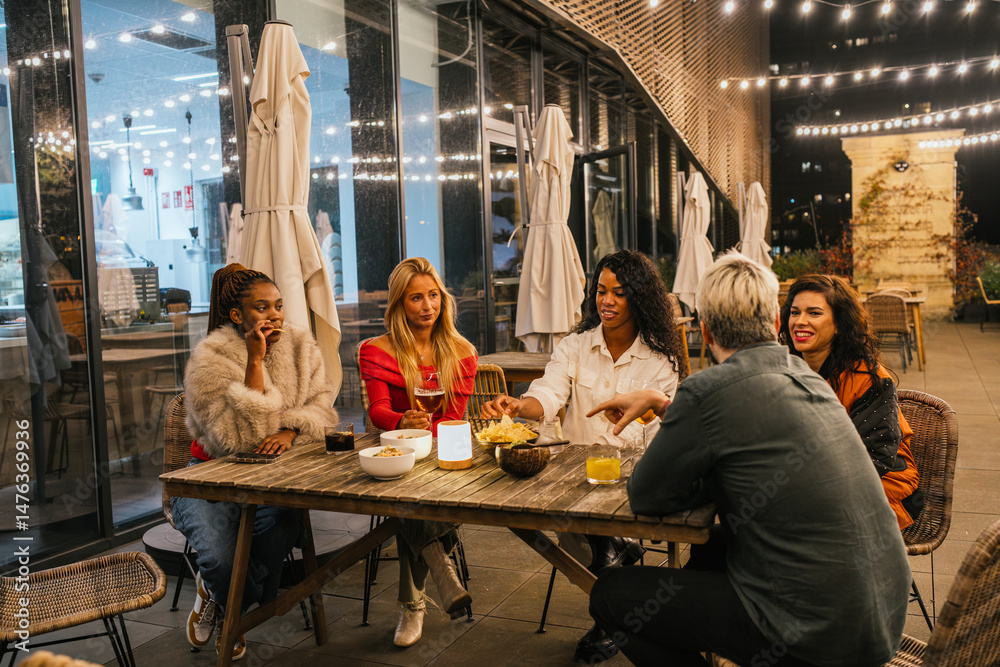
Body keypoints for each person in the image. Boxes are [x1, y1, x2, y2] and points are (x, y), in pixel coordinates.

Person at [587, 252, 911, 667]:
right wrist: (670, 408)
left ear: (704, 331)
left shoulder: (707, 390)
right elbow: (746, 451)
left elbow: (648, 496)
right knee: (711, 546)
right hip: (879, 617)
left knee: (610, 596)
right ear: (776, 324)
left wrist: (682, 427)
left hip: (814, 633)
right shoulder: (809, 381)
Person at [482, 249, 687, 663]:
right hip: (576, 477)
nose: (606, 301)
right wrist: (518, 407)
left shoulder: (661, 359)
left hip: (634, 476)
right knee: (566, 518)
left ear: (641, 298)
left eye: (619, 292)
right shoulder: (574, 347)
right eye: (601, 291)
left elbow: (664, 433)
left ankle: (610, 592)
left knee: (581, 532)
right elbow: (548, 393)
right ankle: (617, 575)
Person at [173, 264, 337, 662]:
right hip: (209, 481)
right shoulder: (208, 360)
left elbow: (321, 406)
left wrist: (291, 431)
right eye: (261, 308)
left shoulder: (300, 345)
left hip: (277, 479)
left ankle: (223, 602)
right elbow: (239, 441)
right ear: (237, 315)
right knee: (220, 559)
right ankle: (230, 604)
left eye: (278, 306)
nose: (275, 315)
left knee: (278, 520)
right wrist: (255, 363)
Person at [358, 257, 477, 648]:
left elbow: (453, 418)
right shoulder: (376, 351)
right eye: (415, 298)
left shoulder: (461, 352)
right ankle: (437, 572)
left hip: (444, 451)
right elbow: (377, 413)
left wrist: (430, 431)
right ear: (398, 305)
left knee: (416, 501)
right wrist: (401, 421)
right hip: (396, 451)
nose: (427, 306)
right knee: (406, 493)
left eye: (433, 296)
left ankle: (414, 604)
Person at [780, 274, 922, 529]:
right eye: (794, 312)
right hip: (811, 479)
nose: (800, 322)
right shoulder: (784, 370)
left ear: (839, 324)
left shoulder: (870, 379)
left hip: (881, 484)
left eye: (814, 313)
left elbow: (871, 459)